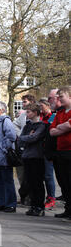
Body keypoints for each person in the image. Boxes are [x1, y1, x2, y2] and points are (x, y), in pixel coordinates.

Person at [18, 103, 47, 216]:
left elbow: (34, 137)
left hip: (37, 157)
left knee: (37, 182)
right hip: (27, 156)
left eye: (29, 111)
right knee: (30, 182)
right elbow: (20, 139)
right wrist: (26, 137)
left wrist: (26, 138)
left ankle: (39, 206)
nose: (27, 113)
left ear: (35, 113)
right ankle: (33, 205)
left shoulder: (41, 126)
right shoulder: (27, 126)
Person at [49, 86, 71, 219]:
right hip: (61, 152)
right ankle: (68, 209)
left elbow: (69, 125)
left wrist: (61, 127)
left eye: (61, 96)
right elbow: (52, 131)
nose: (59, 99)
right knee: (64, 182)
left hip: (70, 151)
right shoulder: (60, 113)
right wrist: (63, 127)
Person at [13, 94, 36, 206]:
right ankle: (24, 197)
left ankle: (33, 198)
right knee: (21, 175)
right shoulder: (22, 116)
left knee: (31, 176)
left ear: (31, 102)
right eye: (22, 102)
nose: (23, 104)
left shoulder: (36, 115)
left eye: (25, 102)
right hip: (21, 148)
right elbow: (14, 125)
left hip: (33, 149)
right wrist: (21, 135)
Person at [39, 98, 56, 210]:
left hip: (48, 149)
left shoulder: (53, 116)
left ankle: (51, 198)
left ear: (47, 106)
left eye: (42, 106)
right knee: (41, 175)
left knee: (48, 175)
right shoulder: (40, 117)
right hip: (39, 150)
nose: (40, 108)